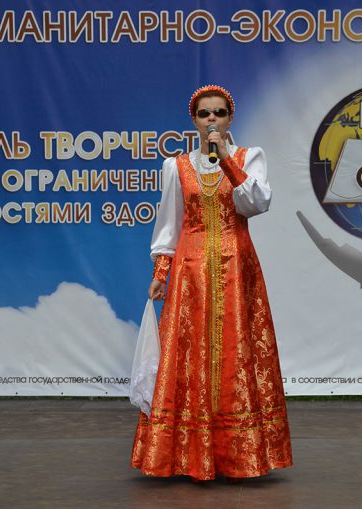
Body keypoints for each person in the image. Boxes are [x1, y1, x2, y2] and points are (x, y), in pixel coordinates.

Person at [131, 85, 293, 482]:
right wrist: (161, 273)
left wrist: (227, 161)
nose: (212, 120)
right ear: (194, 120)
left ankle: (237, 455)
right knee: (189, 356)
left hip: (237, 269)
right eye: (204, 114)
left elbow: (256, 203)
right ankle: (187, 455)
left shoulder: (249, 158)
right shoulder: (176, 166)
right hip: (190, 273)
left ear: (229, 118)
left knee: (237, 352)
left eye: (219, 113)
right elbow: (169, 223)